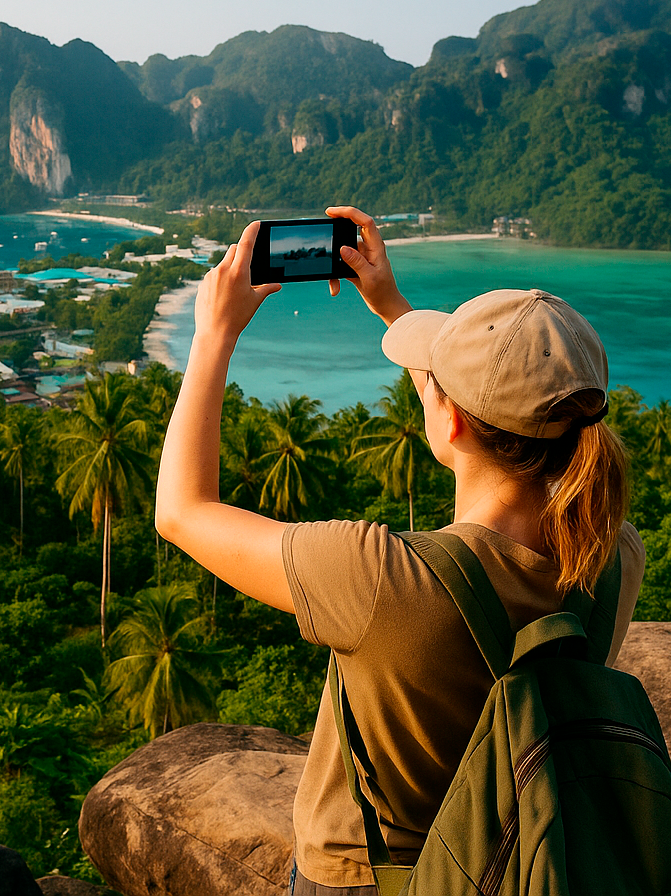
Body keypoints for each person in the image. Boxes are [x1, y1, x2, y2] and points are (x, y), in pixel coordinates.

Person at [154, 207, 646, 895]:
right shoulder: (613, 552)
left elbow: (180, 512)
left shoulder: (382, 578)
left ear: (446, 419)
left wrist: (213, 337)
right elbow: (487, 421)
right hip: (530, 858)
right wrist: (391, 306)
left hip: (370, 880)